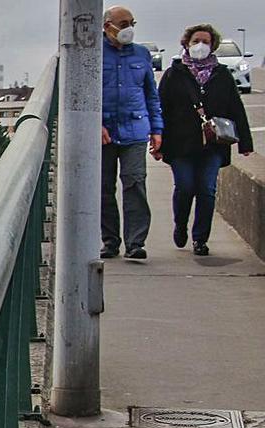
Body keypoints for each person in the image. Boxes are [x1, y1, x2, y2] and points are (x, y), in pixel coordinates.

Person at [158, 23, 254, 257]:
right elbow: (160, 108)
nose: (200, 45)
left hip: (212, 145)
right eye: (195, 41)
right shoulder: (174, 74)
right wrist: (157, 139)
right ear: (186, 44)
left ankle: (200, 238)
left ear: (213, 46)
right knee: (185, 187)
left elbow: (236, 108)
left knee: (207, 190)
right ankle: (180, 225)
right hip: (180, 144)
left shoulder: (222, 75)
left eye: (206, 42)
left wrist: (245, 143)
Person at [100, 5, 163, 260]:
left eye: (131, 23)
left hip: (135, 129)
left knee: (135, 184)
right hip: (103, 131)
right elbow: (82, 94)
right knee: (103, 188)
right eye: (123, 23)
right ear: (107, 26)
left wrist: (157, 129)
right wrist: (94, 123)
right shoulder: (93, 54)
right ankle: (110, 241)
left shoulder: (141, 55)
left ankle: (136, 243)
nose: (129, 29)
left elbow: (151, 94)